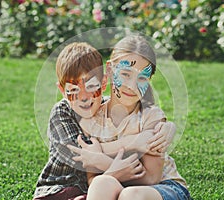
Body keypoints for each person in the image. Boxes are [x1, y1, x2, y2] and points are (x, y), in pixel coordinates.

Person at [33, 42, 172, 200]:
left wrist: (168, 126)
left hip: (105, 188)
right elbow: (81, 153)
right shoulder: (67, 112)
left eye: (92, 86)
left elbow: (151, 177)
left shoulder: (134, 113)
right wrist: (132, 143)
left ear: (103, 83)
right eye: (125, 74)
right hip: (60, 188)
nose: (84, 97)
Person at [69, 36, 191, 200]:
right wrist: (113, 169)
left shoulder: (151, 117)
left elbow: (152, 177)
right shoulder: (93, 120)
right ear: (110, 70)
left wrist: (102, 160)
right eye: (125, 74)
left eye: (141, 78)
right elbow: (92, 179)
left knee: (131, 195)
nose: (131, 86)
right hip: (117, 187)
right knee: (101, 184)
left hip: (162, 188)